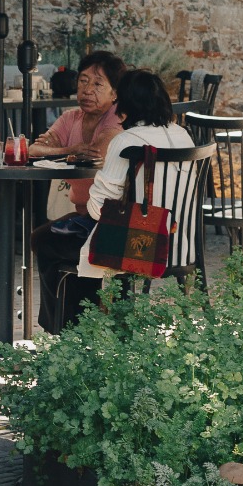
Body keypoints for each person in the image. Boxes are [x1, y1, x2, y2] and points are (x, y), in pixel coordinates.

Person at [32, 69, 196, 333]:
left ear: (126, 105)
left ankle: (68, 331)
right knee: (73, 237)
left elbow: (98, 210)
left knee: (45, 239)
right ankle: (97, 325)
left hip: (137, 247)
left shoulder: (127, 140)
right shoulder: (182, 135)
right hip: (178, 243)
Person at [28, 50, 127, 216]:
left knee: (44, 239)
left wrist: (54, 153)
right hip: (82, 212)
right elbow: (34, 150)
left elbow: (95, 159)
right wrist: (69, 151)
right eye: (83, 81)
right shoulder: (70, 118)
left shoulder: (117, 117)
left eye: (97, 84)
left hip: (111, 216)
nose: (87, 90)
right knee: (42, 237)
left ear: (115, 93)